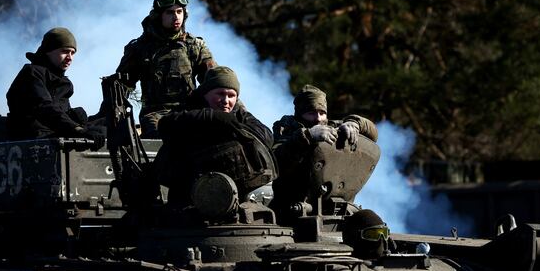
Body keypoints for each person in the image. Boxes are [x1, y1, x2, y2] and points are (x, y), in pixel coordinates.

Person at [154, 66, 274, 202]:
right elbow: (166, 125)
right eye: (220, 94)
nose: (226, 100)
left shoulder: (239, 115)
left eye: (231, 96)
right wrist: (210, 117)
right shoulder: (189, 110)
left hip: (233, 196)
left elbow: (266, 136)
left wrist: (236, 129)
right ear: (206, 93)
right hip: (188, 195)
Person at [115, 0, 217, 138]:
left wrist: (240, 113)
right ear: (158, 16)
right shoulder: (140, 48)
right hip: (155, 114)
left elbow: (215, 80)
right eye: (170, 12)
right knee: (159, 141)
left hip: (189, 112)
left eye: (179, 12)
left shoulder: (194, 46)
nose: (176, 17)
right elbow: (120, 87)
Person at [271, 84, 378, 220]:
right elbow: (276, 160)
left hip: (334, 210)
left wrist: (355, 123)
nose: (318, 118)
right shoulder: (286, 131)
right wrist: (307, 136)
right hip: (290, 212)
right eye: (311, 113)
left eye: (322, 113)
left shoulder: (333, 128)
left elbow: (373, 133)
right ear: (300, 114)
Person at [6, 27, 105, 146]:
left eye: (72, 53)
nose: (70, 58)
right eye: (64, 51)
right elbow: (44, 107)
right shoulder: (32, 74)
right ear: (49, 50)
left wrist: (76, 118)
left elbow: (59, 113)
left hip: (54, 135)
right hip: (34, 140)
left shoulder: (62, 81)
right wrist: (77, 129)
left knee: (106, 126)